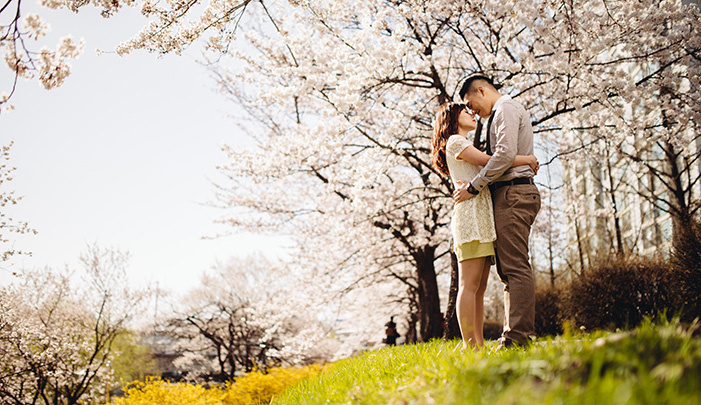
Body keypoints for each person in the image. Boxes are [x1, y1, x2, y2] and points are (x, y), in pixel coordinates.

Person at [431, 102, 538, 350]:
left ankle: (478, 344)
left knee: (478, 288)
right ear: (453, 117)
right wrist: (527, 159)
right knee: (469, 285)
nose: (471, 114)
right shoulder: (456, 141)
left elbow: (490, 166)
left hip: (482, 216)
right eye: (464, 111)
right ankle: (471, 347)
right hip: (470, 217)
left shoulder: (464, 143)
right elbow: (492, 161)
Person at [454, 75, 541, 348]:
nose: (473, 111)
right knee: (509, 270)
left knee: (514, 268)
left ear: (481, 90)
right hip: (510, 192)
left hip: (514, 192)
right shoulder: (501, 113)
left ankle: (518, 338)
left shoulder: (505, 108)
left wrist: (474, 186)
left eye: (472, 103)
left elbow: (503, 155)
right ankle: (514, 337)